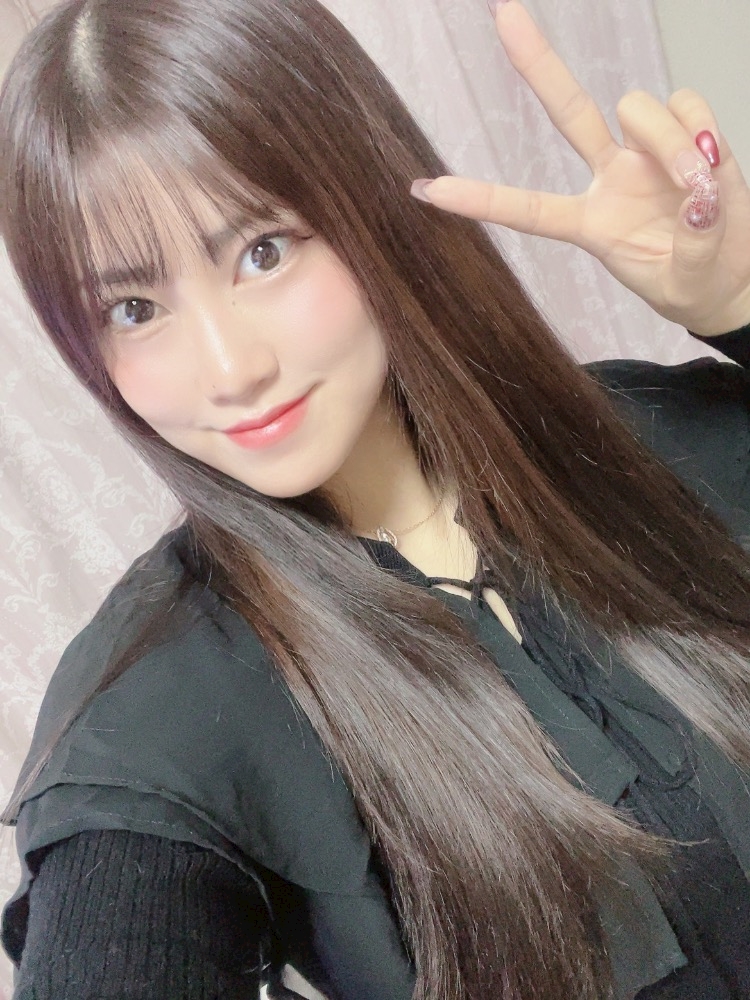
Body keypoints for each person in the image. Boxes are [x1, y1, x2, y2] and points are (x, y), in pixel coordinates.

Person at [0, 0, 748, 996]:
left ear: (372, 199)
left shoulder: (661, 435)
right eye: (134, 308)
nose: (230, 368)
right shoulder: (162, 704)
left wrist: (741, 308)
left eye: (262, 251)